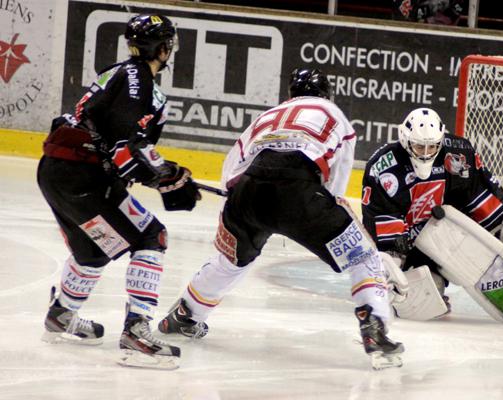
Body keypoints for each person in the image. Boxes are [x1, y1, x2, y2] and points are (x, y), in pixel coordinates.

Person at [158, 68, 404, 370]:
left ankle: (185, 314)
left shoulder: (268, 116)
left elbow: (233, 165)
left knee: (230, 261)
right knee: (362, 256)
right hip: (300, 194)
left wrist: (237, 200)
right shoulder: (335, 115)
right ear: (327, 94)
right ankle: (374, 327)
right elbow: (336, 185)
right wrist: (317, 210)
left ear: (291, 94)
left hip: (247, 192)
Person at [37, 14, 200, 370]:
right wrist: (165, 177)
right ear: (164, 47)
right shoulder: (137, 79)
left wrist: (167, 175)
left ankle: (62, 314)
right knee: (151, 236)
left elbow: (126, 147)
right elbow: (124, 145)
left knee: (92, 251)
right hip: (83, 175)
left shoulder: (125, 74)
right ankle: (136, 331)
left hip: (62, 172)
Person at [361, 108, 503, 325]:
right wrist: (393, 264)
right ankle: (423, 281)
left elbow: (480, 194)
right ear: (405, 139)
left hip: (449, 232)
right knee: (423, 297)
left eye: (432, 146)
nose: (426, 153)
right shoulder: (384, 168)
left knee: (497, 234)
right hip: (410, 245)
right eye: (419, 146)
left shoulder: (458, 153)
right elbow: (382, 223)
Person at [392, 0, 466, 25]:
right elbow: (409, 15)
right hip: (417, 32)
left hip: (447, 33)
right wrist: (430, 8)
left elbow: (458, 8)